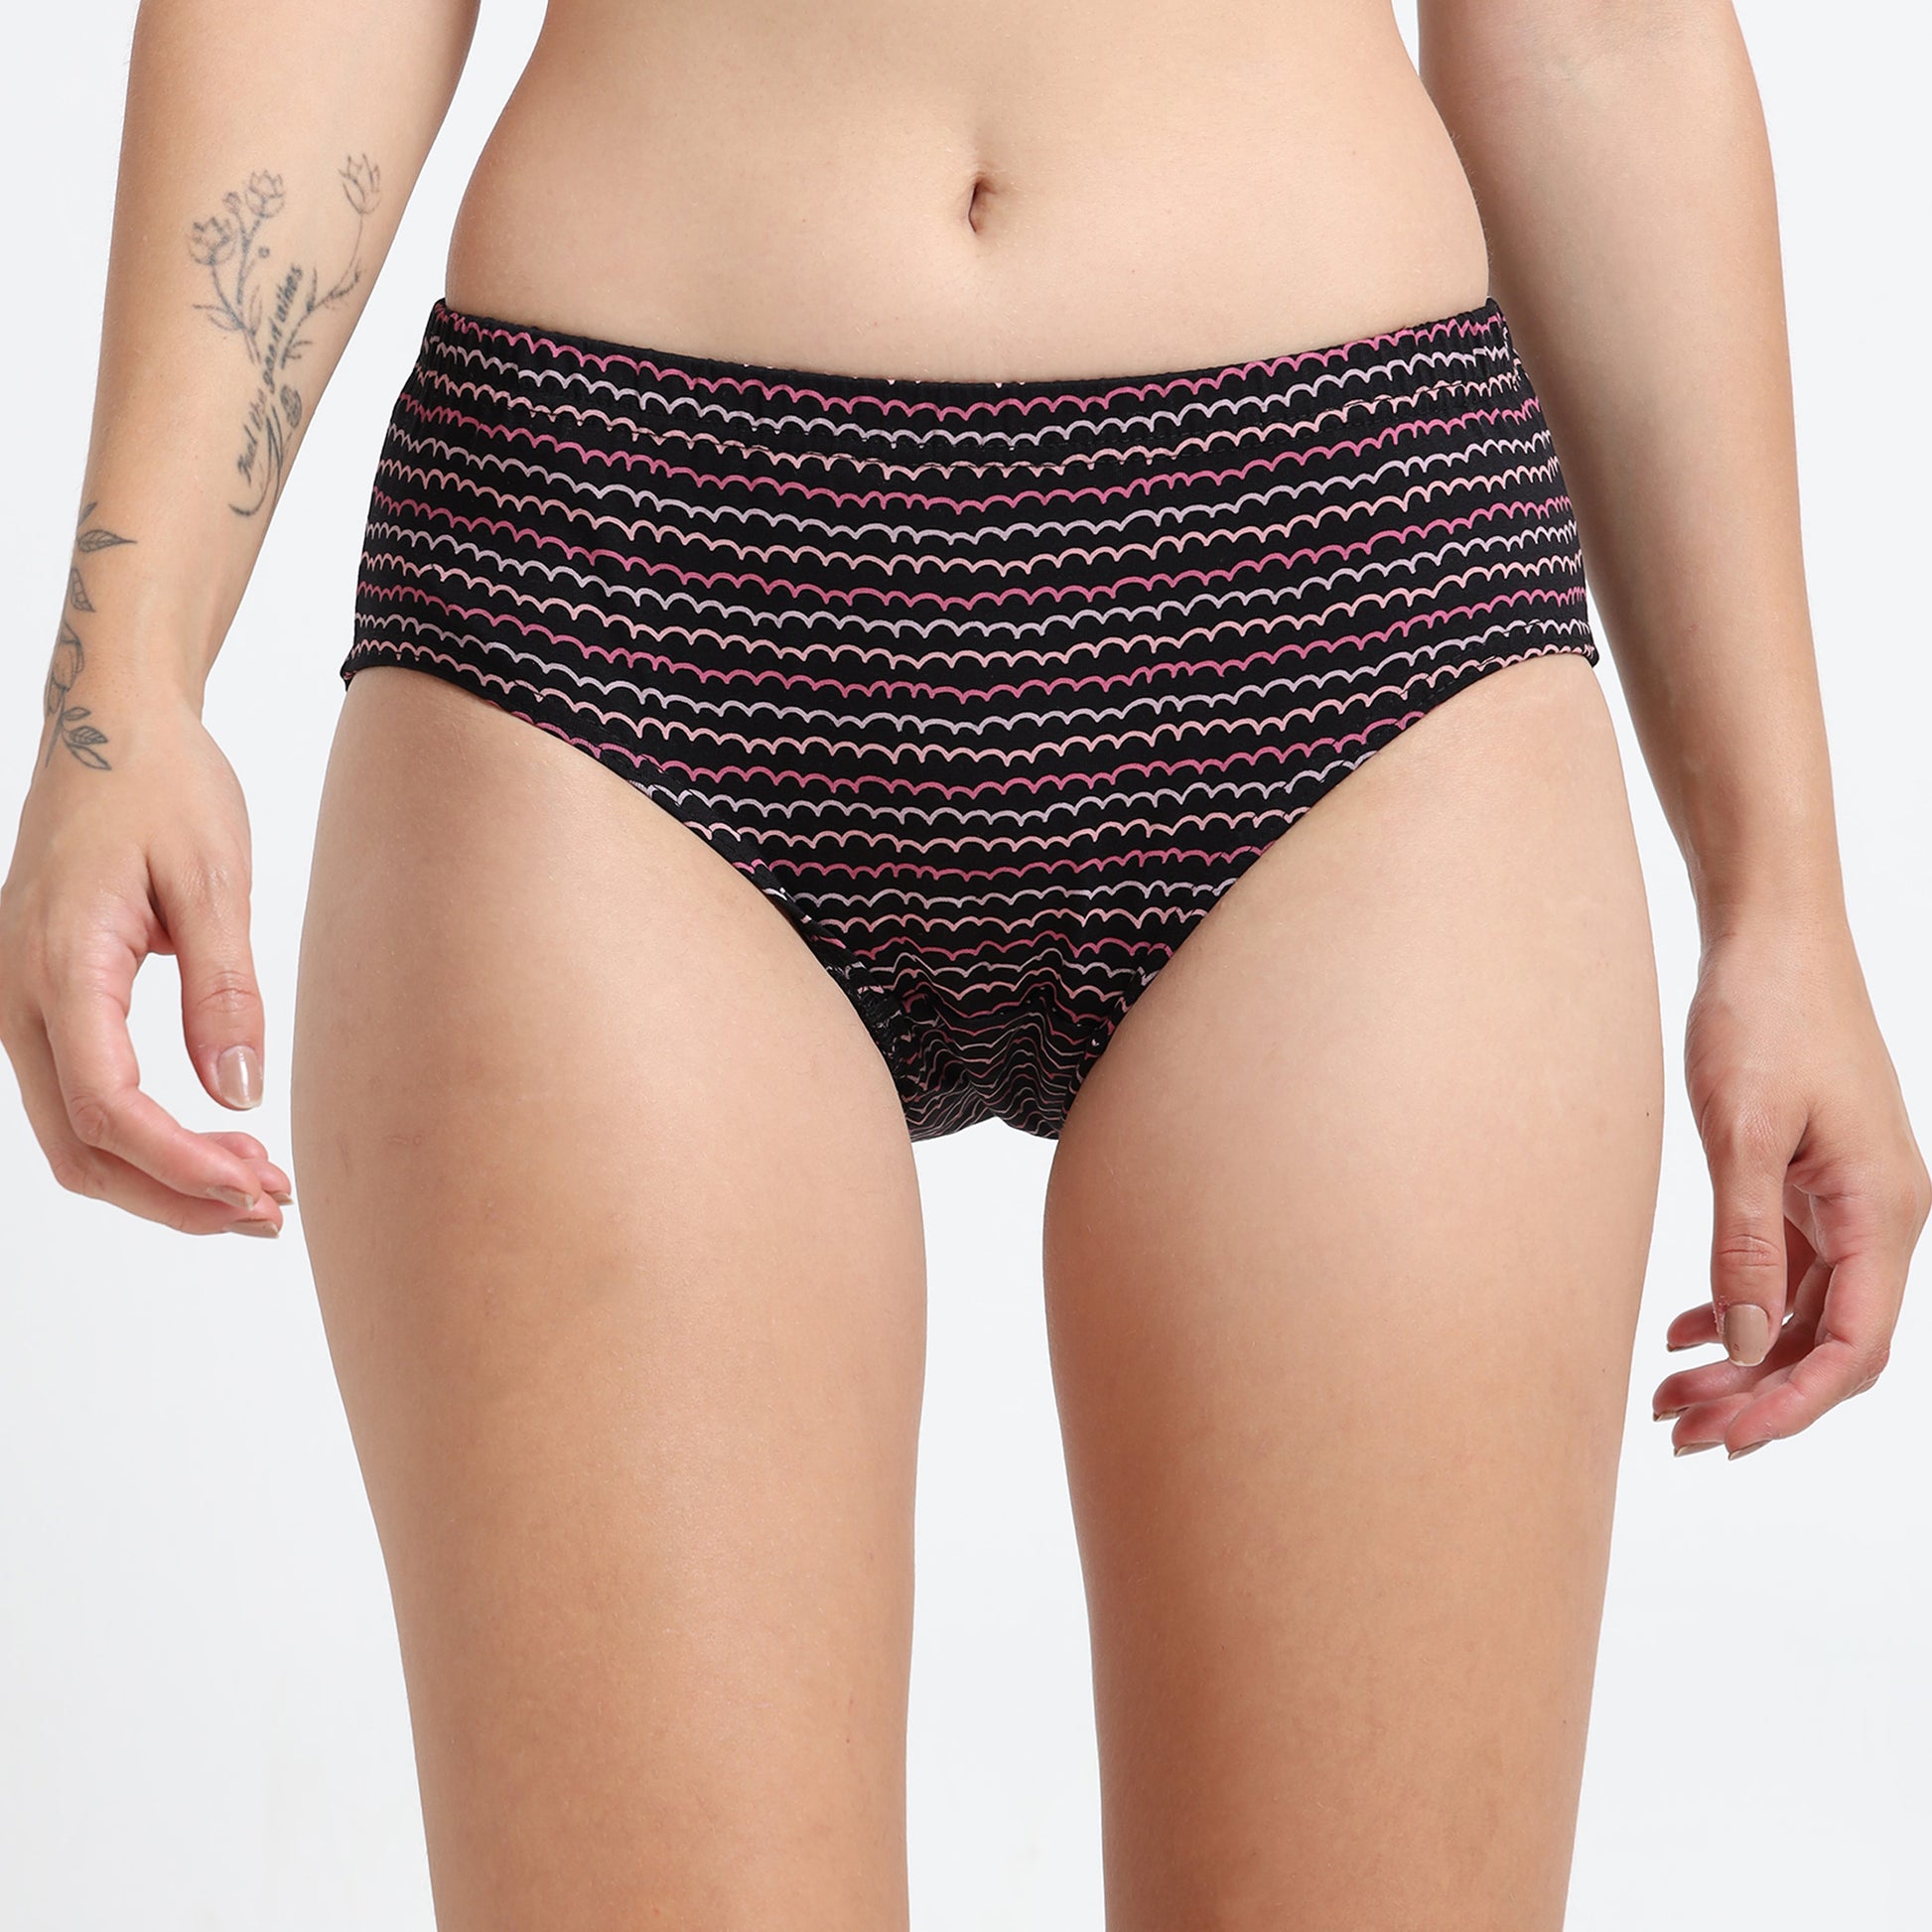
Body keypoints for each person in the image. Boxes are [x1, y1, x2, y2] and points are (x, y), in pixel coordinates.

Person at [2, 0, 1925, 1926]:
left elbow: (1600, 34)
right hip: (618, 589)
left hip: (1346, 593)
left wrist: (1782, 898)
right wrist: (123, 680)